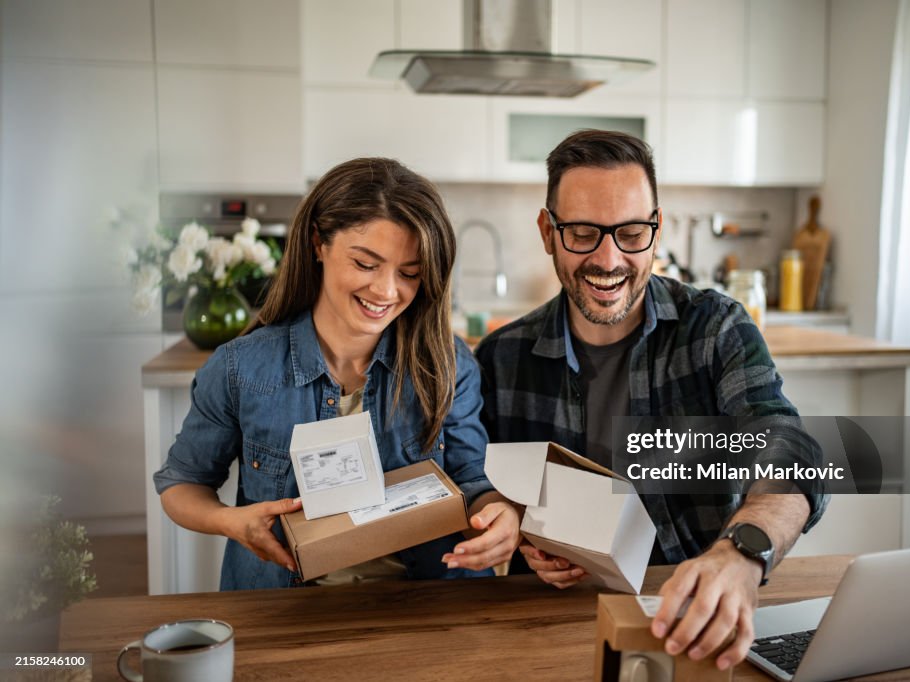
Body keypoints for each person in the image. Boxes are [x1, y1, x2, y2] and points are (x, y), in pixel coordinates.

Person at [474, 130, 828, 671]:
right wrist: (523, 532)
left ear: (656, 232)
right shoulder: (501, 358)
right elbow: (485, 489)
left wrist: (743, 553)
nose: (609, 259)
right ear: (548, 232)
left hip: (696, 625)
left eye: (632, 233)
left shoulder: (714, 330)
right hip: (545, 633)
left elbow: (789, 447)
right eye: (584, 233)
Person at [154, 157, 521, 590]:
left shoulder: (448, 362)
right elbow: (182, 485)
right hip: (287, 609)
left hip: (427, 603)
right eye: (366, 264)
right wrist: (231, 522)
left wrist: (501, 513)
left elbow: (474, 480)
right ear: (318, 243)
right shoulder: (240, 368)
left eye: (410, 274)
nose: (386, 291)